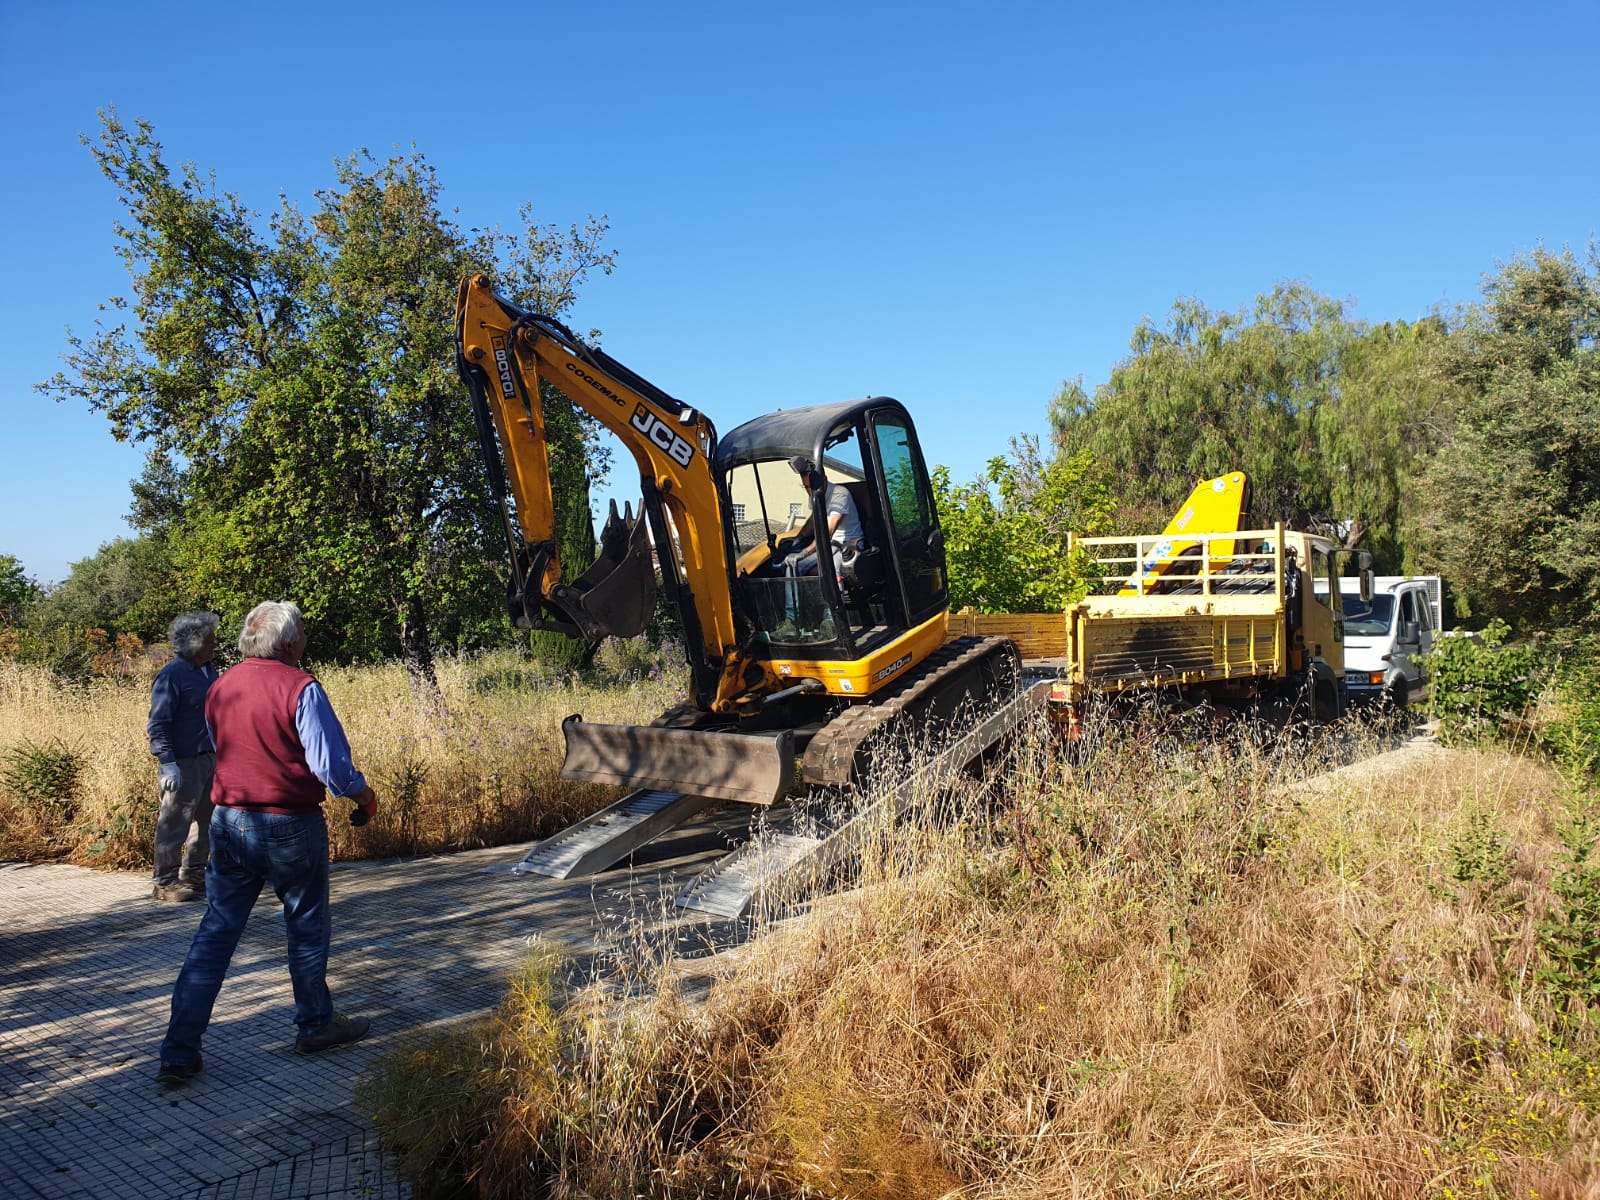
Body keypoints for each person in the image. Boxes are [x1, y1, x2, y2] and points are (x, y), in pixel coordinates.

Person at [157, 600, 379, 1085]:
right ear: (290, 642)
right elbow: (332, 768)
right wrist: (365, 796)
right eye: (301, 631)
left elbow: (221, 747)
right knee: (305, 926)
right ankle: (315, 1025)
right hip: (290, 825)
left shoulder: (220, 688)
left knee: (216, 934)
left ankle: (178, 1050)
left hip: (230, 821)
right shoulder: (302, 688)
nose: (304, 638)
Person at [147, 612, 221, 902]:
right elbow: (158, 722)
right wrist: (166, 762)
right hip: (183, 762)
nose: (214, 643)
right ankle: (164, 882)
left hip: (210, 758)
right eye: (209, 639)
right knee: (175, 821)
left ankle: (194, 874)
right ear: (193, 642)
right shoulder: (172, 675)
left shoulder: (209, 671)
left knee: (206, 821)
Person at [782, 455, 864, 576]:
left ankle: (837, 594)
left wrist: (804, 553)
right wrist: (799, 538)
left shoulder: (840, 494)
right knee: (790, 566)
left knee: (819, 570)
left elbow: (828, 531)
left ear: (824, 479)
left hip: (847, 545)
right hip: (830, 545)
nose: (809, 492)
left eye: (811, 487)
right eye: (806, 487)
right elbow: (813, 519)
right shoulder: (814, 494)